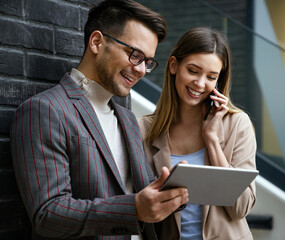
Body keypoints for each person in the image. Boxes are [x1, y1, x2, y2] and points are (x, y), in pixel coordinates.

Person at [10, 0, 188, 239]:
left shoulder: (127, 119)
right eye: (135, 55)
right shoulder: (46, 109)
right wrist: (134, 209)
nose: (141, 70)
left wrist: (170, 189)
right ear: (96, 42)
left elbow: (140, 190)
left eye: (147, 62)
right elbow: (48, 214)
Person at [139, 27, 257, 240]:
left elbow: (241, 208)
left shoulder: (237, 124)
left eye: (211, 77)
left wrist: (211, 140)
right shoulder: (144, 129)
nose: (200, 84)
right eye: (193, 71)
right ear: (174, 65)